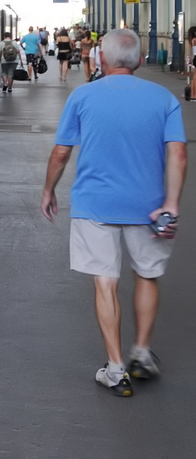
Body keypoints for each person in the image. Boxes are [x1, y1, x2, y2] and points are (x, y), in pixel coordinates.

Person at [40, 28, 186, 397]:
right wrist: (171, 203)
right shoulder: (164, 98)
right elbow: (178, 154)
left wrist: (48, 190)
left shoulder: (83, 95)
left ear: (101, 59)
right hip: (149, 207)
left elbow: (61, 152)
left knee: (105, 280)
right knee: (147, 276)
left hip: (95, 204)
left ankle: (115, 367)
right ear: (138, 60)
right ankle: (140, 353)